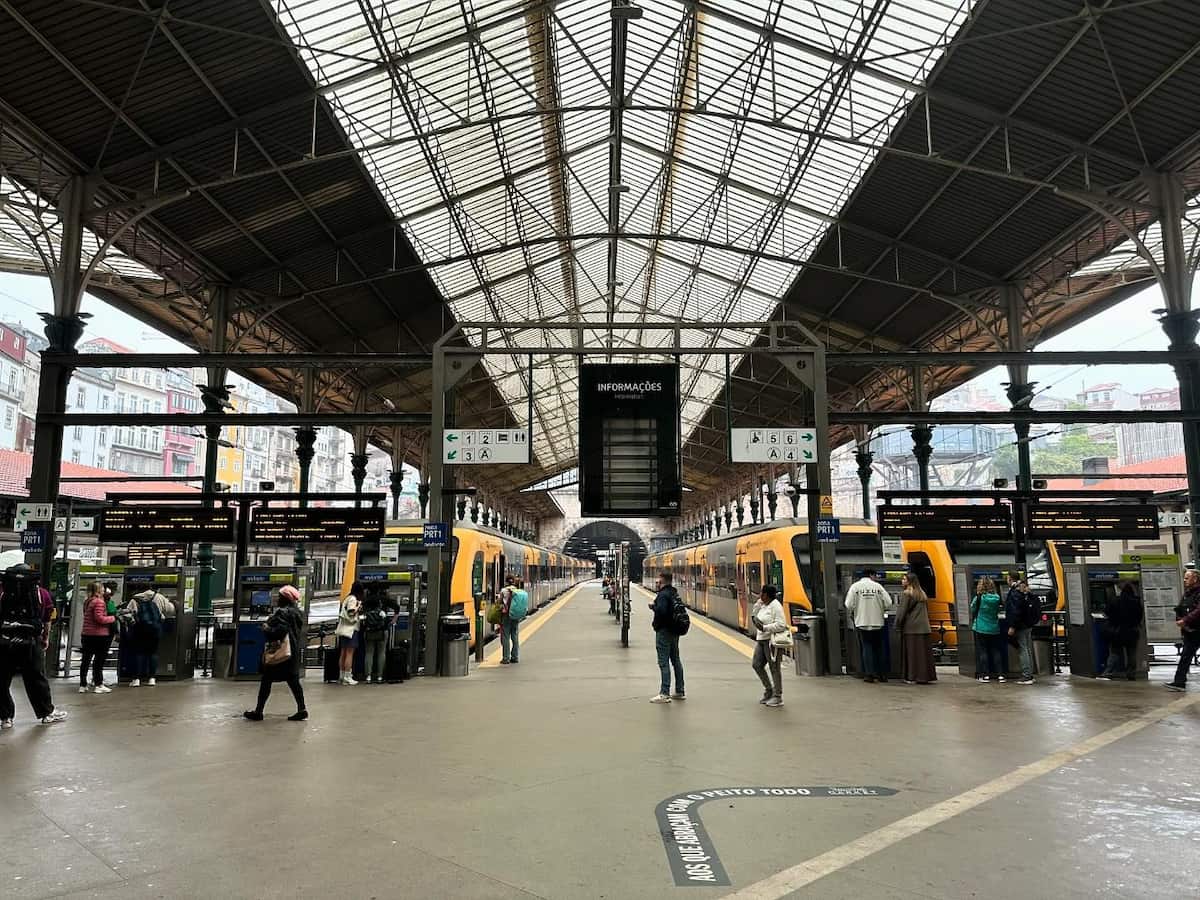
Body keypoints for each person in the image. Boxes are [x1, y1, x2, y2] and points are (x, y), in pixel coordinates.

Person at [0, 565, 67, 727]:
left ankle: (5, 718)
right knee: (36, 678)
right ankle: (46, 713)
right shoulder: (41, 593)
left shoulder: (2, 591)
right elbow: (47, 619)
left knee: (2, 679)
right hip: (31, 641)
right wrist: (45, 638)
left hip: (4, 641)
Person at [244, 585, 307, 721]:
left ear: (285, 599)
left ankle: (258, 711)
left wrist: (266, 629)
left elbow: (279, 632)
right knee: (294, 682)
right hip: (292, 652)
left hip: (281, 654)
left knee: (266, 680)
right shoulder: (298, 612)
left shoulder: (282, 613)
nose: (277, 599)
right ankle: (302, 709)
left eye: (279, 597)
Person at [845, 569, 890, 683]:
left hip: (862, 622)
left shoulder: (855, 587)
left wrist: (857, 608)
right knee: (879, 648)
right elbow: (889, 603)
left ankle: (869, 674)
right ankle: (882, 675)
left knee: (866, 647)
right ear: (871, 575)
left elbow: (848, 604)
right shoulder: (878, 587)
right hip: (878, 622)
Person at [895, 573, 937, 685]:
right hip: (924, 627)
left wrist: (897, 624)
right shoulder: (922, 593)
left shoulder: (907, 593)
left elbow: (901, 612)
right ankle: (924, 676)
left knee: (912, 653)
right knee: (923, 654)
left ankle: (912, 676)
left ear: (909, 581)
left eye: (904, 579)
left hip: (911, 628)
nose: (902, 581)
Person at [649, 571, 684, 703]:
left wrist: (653, 607)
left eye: (658, 580)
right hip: (675, 631)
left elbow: (662, 612)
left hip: (664, 632)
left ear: (662, 581)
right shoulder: (674, 592)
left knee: (663, 662)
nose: (657, 582)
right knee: (676, 660)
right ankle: (680, 690)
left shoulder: (663, 595)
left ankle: (664, 693)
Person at [751, 584, 788, 707]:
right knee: (756, 664)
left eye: (762, 593)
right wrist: (757, 606)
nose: (760, 595)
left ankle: (778, 696)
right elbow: (754, 613)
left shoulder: (776, 606)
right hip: (761, 640)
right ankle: (769, 689)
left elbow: (781, 624)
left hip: (771, 642)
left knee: (774, 668)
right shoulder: (763, 604)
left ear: (767, 595)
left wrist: (765, 627)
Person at [128, 588, 172, 686]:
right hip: (154, 631)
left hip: (139, 631)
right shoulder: (158, 598)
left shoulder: (134, 600)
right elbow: (168, 613)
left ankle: (137, 679)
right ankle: (152, 678)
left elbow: (128, 615)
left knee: (139, 653)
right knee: (153, 653)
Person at [1099, 581, 1143, 681]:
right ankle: (1131, 674)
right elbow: (1140, 616)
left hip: (1118, 631)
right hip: (1133, 631)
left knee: (1115, 652)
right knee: (1131, 654)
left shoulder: (1115, 600)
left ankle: (1108, 671)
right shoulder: (1136, 602)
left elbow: (1107, 613)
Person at [79, 581, 115, 694]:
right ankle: (98, 684)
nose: (104, 590)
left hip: (86, 634)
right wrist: (113, 618)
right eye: (102, 589)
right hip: (99, 635)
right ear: (98, 590)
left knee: (86, 660)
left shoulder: (87, 601)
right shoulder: (99, 602)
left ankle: (83, 685)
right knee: (98, 661)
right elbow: (99, 618)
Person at [1167, 569, 1200, 691]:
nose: (1184, 580)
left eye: (1187, 578)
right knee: (1186, 656)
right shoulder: (1188, 593)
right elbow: (1181, 607)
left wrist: (1185, 620)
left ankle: (1179, 681)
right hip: (1190, 631)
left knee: (1186, 656)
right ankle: (1179, 682)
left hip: (1197, 629)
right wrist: (1180, 618)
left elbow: (1198, 611)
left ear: (1195, 579)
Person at [1005, 577, 1038, 685]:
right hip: (1028, 625)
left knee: (1023, 649)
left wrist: (1012, 626)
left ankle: (1026, 676)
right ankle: (1029, 674)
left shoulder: (1016, 593)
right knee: (1027, 649)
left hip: (1021, 626)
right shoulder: (1025, 594)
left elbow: (1015, 611)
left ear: (1010, 579)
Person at [971, 577, 1005, 683]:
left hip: (980, 628)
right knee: (996, 651)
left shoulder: (979, 597)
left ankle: (985, 675)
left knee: (983, 651)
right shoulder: (997, 597)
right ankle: (1000, 675)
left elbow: (972, 608)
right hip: (994, 627)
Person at [335, 582, 363, 685]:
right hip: (350, 629)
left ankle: (341, 675)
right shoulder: (353, 599)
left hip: (343, 629)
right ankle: (347, 676)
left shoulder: (347, 598)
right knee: (349, 653)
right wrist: (358, 607)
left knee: (343, 652)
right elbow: (351, 612)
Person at [360, 593, 389, 684]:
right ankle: (379, 676)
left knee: (369, 653)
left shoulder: (366, 613)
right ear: (378, 604)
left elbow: (363, 622)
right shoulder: (382, 612)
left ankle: (368, 676)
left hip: (369, 634)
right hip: (381, 634)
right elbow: (386, 622)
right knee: (381, 653)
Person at [500, 575, 528, 666]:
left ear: (506, 582)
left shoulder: (504, 591)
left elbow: (499, 602)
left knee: (505, 637)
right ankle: (515, 657)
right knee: (515, 636)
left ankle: (506, 658)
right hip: (515, 616)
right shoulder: (517, 591)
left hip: (506, 616)